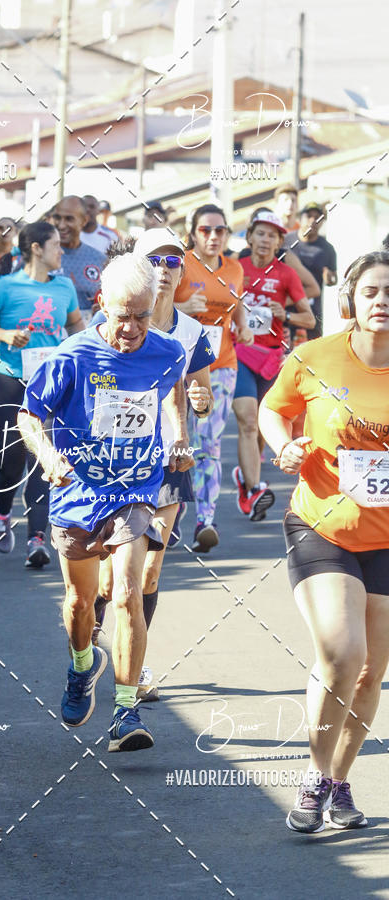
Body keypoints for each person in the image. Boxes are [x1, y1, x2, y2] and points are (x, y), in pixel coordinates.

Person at [17, 253, 193, 750]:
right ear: (101, 305)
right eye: (123, 317)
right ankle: (81, 665)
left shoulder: (166, 351)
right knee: (78, 605)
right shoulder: (71, 356)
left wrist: (178, 435)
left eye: (143, 315)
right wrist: (48, 455)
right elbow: (29, 417)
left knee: (126, 594)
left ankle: (125, 711)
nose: (133, 328)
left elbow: (175, 390)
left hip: (135, 490)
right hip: (78, 492)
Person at [259, 251, 389, 833]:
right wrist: (281, 445)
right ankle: (314, 776)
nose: (382, 301)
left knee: (370, 673)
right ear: (352, 300)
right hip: (321, 524)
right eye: (372, 292)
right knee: (343, 654)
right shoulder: (313, 358)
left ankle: (339, 780)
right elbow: (271, 409)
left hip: (386, 537)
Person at [93, 230, 213, 702]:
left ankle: (134, 670)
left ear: (183, 272)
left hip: (169, 461)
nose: (164, 268)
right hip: (113, 464)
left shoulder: (192, 333)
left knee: (147, 575)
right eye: (155, 260)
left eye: (174, 261)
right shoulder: (106, 322)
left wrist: (200, 403)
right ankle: (93, 648)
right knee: (107, 579)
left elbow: (200, 398)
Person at [0, 221, 83, 568]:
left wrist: (78, 346)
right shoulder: (7, 286)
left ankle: (37, 539)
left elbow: (75, 324)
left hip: (48, 385)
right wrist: (4, 334)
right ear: (36, 248)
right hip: (8, 382)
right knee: (12, 461)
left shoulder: (64, 287)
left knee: (42, 460)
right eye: (56, 245)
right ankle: (2, 512)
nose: (62, 251)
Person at [175, 204, 253, 551]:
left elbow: (236, 301)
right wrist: (181, 310)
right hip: (176, 367)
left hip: (221, 365)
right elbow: (153, 307)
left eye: (220, 230)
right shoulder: (177, 263)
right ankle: (170, 515)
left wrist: (243, 324)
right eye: (205, 230)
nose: (213, 236)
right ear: (193, 232)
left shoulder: (234, 268)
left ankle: (205, 520)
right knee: (175, 440)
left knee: (208, 441)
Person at [233, 210, 315, 520]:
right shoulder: (235, 269)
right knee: (248, 420)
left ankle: (244, 479)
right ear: (250, 237)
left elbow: (308, 317)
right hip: (241, 353)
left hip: (271, 359)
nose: (266, 240)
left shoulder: (286, 275)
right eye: (261, 233)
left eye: (273, 235)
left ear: (280, 241)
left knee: (259, 431)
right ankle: (254, 491)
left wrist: (286, 315)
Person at [50, 196, 106, 325]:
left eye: (69, 219)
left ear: (84, 221)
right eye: (57, 218)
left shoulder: (99, 259)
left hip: (86, 336)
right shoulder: (39, 255)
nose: (61, 225)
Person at [286, 202, 337, 339]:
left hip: (312, 312)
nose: (312, 221)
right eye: (308, 216)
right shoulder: (286, 241)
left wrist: (330, 278)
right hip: (286, 308)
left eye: (317, 217)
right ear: (300, 218)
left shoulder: (327, 248)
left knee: (310, 354)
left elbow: (333, 279)